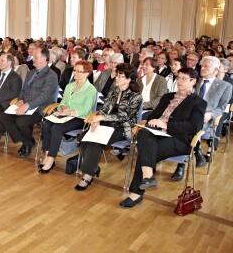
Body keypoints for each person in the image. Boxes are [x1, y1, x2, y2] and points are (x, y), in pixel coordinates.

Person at [119, 68, 207, 208]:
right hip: (157, 134)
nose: (180, 81)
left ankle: (137, 192)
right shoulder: (167, 97)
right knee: (143, 133)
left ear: (193, 82)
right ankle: (147, 177)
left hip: (179, 139)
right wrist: (154, 121)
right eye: (179, 78)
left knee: (145, 152)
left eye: (184, 78)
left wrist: (166, 125)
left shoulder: (198, 102)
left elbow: (193, 127)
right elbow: (153, 115)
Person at [74, 63, 142, 191]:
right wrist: (97, 120)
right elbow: (104, 108)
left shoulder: (136, 96)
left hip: (122, 128)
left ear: (129, 79)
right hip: (106, 124)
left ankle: (87, 176)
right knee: (83, 138)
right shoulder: (114, 90)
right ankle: (92, 167)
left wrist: (102, 118)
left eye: (121, 76)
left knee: (95, 143)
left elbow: (125, 116)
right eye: (117, 75)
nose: (116, 78)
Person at [171, 56, 232, 180]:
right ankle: (196, 151)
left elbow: (221, 107)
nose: (202, 68)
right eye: (202, 66)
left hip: (207, 119)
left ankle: (181, 165)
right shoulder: (195, 81)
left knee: (187, 129)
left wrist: (210, 114)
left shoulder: (225, 86)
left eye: (206, 67)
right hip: (189, 116)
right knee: (183, 125)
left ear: (216, 70)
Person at [0, 47, 59, 157]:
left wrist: (27, 105)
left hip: (40, 108)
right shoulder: (31, 73)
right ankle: (28, 142)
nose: (32, 59)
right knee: (4, 117)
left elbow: (44, 96)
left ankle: (27, 143)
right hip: (25, 105)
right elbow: (23, 90)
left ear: (44, 59)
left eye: (35, 57)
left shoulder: (51, 75)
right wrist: (21, 99)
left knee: (21, 122)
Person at [39, 61, 97, 173]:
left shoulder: (91, 90)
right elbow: (63, 102)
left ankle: (51, 159)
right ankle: (47, 154)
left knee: (56, 128)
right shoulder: (70, 86)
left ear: (86, 73)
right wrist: (64, 109)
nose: (75, 73)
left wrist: (69, 112)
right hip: (66, 115)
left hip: (80, 118)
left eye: (79, 71)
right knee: (46, 124)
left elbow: (85, 109)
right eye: (75, 70)